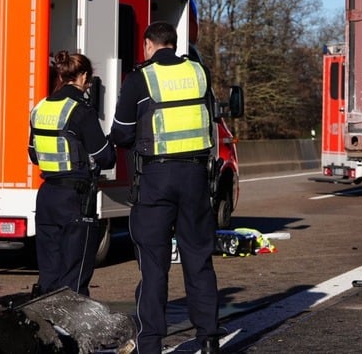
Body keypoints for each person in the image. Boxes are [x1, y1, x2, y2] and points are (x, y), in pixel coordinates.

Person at [107, 22, 220, 354]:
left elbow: (122, 133)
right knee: (198, 258)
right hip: (196, 177)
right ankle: (209, 338)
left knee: (153, 264)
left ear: (147, 45)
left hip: (156, 179)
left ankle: (151, 343)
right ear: (174, 43)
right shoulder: (200, 73)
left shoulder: (140, 78)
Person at [28, 50, 115, 296]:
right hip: (74, 200)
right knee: (74, 278)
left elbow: (34, 155)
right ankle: (71, 331)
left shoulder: (40, 108)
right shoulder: (81, 110)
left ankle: (46, 325)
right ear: (84, 76)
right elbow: (106, 157)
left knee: (48, 274)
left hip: (46, 198)